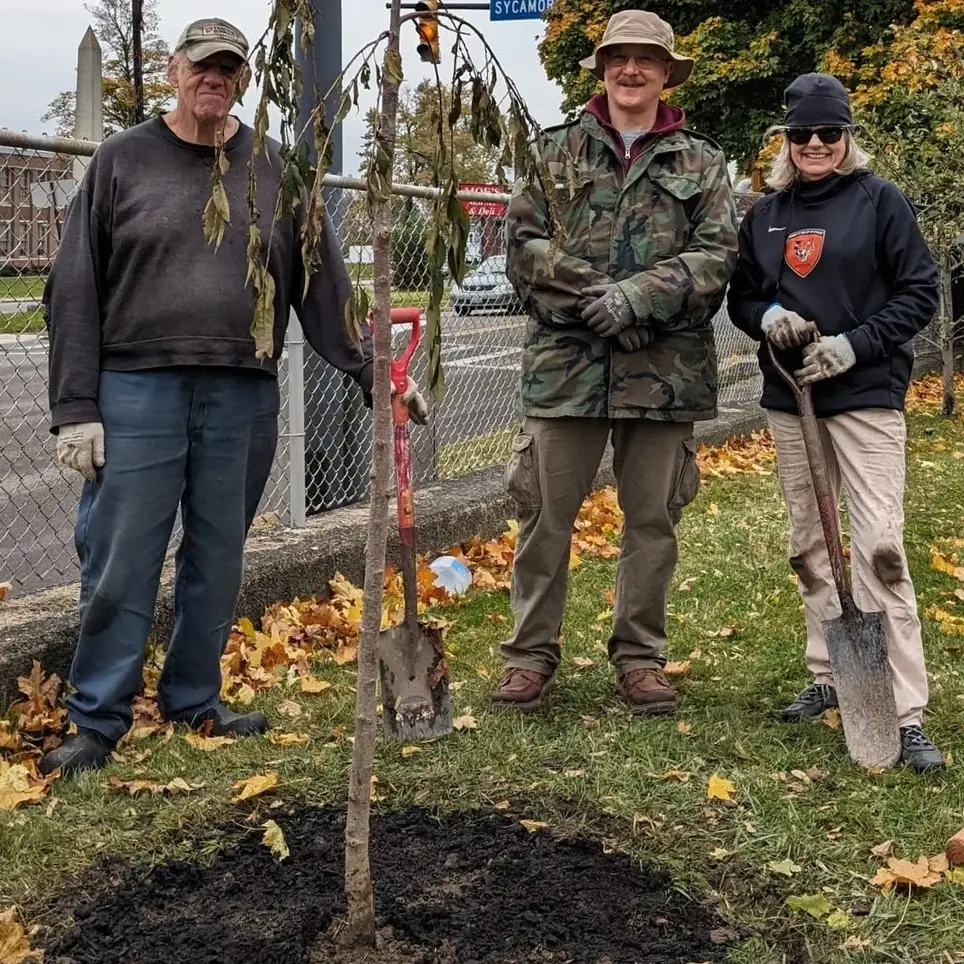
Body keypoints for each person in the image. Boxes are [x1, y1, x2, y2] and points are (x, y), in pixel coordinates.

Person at [39, 17, 428, 778]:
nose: (214, 79)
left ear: (244, 80)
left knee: (217, 556)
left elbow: (324, 289)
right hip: (136, 390)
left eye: (229, 69)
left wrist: (375, 371)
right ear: (175, 69)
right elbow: (74, 288)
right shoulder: (123, 160)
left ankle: (194, 699)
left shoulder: (275, 170)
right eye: (201, 66)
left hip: (241, 393)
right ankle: (97, 719)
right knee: (122, 559)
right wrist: (76, 406)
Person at [494, 10, 738, 716]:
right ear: (602, 69)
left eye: (646, 59)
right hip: (565, 369)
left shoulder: (702, 160)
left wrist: (637, 299)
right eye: (618, 58)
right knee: (543, 516)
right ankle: (529, 657)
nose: (631, 70)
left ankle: (640, 658)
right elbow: (524, 248)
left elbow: (717, 256)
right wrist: (598, 300)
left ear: (667, 73)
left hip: (664, 375)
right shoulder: (553, 150)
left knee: (652, 522)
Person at [727, 73, 944, 773]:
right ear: (784, 141)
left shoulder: (880, 203)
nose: (815, 144)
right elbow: (743, 295)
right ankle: (828, 675)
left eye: (828, 132)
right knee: (810, 542)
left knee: (879, 546)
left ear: (848, 137)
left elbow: (920, 292)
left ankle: (906, 711)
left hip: (866, 394)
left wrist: (854, 344)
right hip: (792, 399)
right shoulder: (764, 215)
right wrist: (769, 318)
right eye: (801, 134)